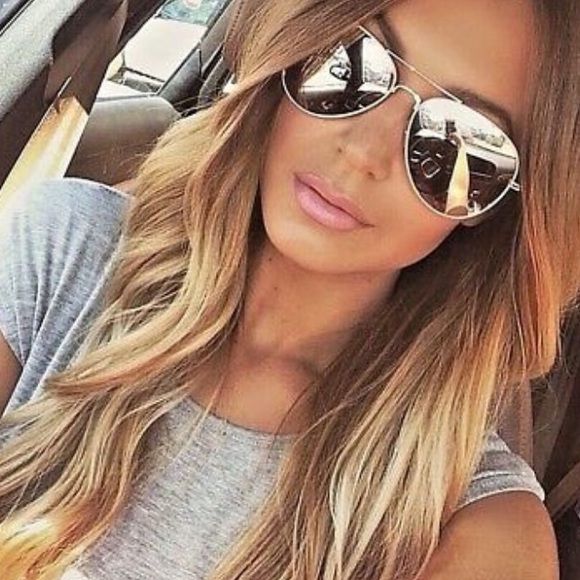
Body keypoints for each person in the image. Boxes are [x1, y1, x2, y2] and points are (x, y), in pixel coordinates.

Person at [0, 0, 578, 577]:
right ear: (295, 49)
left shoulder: (478, 528)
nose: (363, 152)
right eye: (350, 62)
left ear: (498, 206)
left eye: (461, 142)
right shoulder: (65, 250)